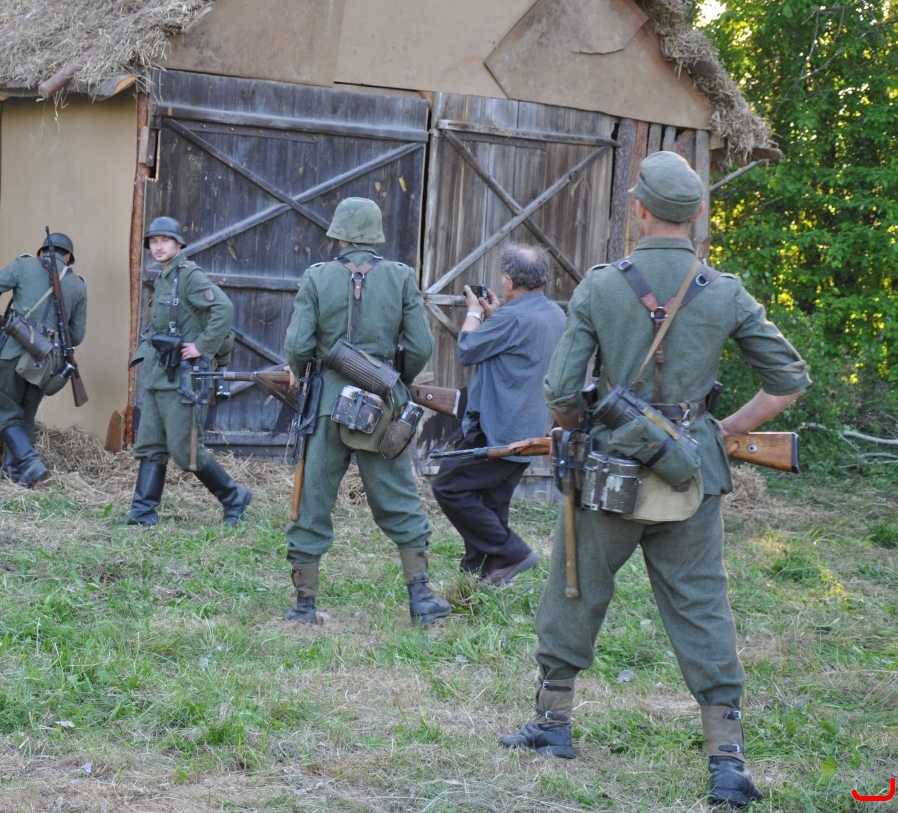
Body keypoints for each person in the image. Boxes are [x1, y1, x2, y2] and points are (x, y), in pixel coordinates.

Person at [500, 151, 809, 808]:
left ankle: (552, 725)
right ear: (696, 214)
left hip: (606, 472)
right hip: (691, 475)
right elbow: (788, 379)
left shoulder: (602, 286)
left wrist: (576, 424)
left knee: (574, 589)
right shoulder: (723, 290)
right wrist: (717, 431)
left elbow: (561, 394)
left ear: (637, 209)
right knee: (702, 605)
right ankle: (727, 760)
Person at [281, 196, 451, 626]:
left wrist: (299, 372)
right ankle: (421, 599)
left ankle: (304, 605)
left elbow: (298, 344)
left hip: (326, 407)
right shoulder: (400, 276)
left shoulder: (317, 276)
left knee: (312, 501)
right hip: (382, 409)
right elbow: (420, 346)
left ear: (338, 234)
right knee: (399, 497)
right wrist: (393, 381)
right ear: (375, 234)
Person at [431, 244, 566, 586]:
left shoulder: (512, 317)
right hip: (531, 428)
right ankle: (480, 576)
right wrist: (495, 316)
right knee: (491, 503)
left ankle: (513, 552)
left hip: (497, 430)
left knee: (449, 486)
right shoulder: (554, 315)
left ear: (508, 281)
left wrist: (475, 313)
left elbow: (467, 349)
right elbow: (516, 346)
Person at [124, 216, 251, 528]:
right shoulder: (165, 276)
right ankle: (142, 514)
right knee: (150, 445)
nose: (158, 247)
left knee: (186, 451)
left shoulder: (189, 275)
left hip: (184, 378)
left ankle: (234, 496)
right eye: (154, 242)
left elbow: (223, 308)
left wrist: (202, 346)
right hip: (159, 375)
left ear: (179, 244)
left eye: (165, 241)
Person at [0, 232, 87, 487]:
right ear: (68, 257)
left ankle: (30, 462)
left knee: (3, 416)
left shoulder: (24, 265)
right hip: (45, 363)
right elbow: (76, 335)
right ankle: (14, 479)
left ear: (42, 252)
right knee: (23, 418)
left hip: (13, 352)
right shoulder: (78, 285)